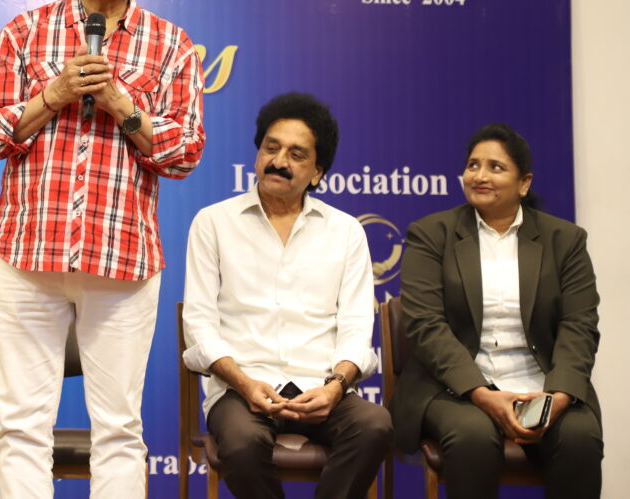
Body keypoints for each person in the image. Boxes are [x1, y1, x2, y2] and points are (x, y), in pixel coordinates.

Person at [0, 0, 206, 498]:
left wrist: (123, 106)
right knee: (22, 425)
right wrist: (52, 96)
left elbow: (184, 154)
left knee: (119, 428)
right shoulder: (23, 33)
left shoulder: (172, 45)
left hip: (122, 260)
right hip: (26, 256)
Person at [182, 92, 391, 499]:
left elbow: (355, 328)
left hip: (321, 387)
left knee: (375, 425)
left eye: (297, 155)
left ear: (317, 172)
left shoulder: (345, 231)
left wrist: (334, 388)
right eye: (271, 148)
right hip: (242, 389)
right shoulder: (213, 223)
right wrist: (244, 383)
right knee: (242, 443)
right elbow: (199, 324)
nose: (278, 161)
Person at [392, 123, 603, 498]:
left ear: (524, 183)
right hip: (454, 389)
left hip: (542, 387)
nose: (480, 176)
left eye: (496, 167)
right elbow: (426, 326)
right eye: (473, 165)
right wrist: (481, 393)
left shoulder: (565, 240)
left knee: (578, 437)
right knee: (472, 436)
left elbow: (579, 326)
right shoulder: (431, 234)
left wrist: (558, 397)